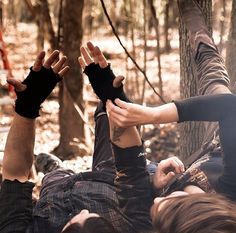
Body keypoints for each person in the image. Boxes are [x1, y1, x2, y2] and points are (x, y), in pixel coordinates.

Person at [1, 45, 184, 233]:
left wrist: (27, 107)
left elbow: (14, 176)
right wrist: (113, 99)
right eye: (92, 217)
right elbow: (131, 165)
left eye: (73, 222)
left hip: (55, 189)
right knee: (107, 111)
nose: (83, 211)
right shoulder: (135, 226)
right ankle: (59, 169)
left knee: (54, 177)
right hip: (111, 178)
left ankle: (56, 170)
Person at [104, 0, 236, 232]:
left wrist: (154, 186)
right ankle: (192, 16)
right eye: (164, 203)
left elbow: (131, 176)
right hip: (225, 141)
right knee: (212, 74)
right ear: (193, 211)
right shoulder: (230, 192)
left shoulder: (180, 221)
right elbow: (229, 107)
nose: (154, 201)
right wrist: (152, 115)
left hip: (208, 152)